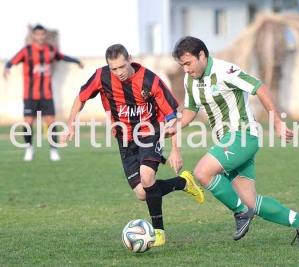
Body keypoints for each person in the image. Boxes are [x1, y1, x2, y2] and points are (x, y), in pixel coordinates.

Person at [166, 36, 299, 246]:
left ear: (202, 55)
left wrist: (277, 122)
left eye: (188, 63)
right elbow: (191, 109)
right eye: (182, 65)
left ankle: (240, 213)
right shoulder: (190, 79)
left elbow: (260, 88)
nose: (186, 69)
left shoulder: (225, 71)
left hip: (243, 134)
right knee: (251, 202)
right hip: (228, 140)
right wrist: (175, 126)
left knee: (202, 172)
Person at [60, 44, 205, 247]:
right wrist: (70, 124)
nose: (119, 73)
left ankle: (158, 232)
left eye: (122, 66)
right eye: (114, 69)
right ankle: (182, 183)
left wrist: (176, 150)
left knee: (147, 177)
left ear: (129, 58)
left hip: (150, 133)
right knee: (143, 193)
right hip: (125, 139)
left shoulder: (150, 80)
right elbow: (81, 97)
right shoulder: (101, 77)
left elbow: (173, 116)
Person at [3, 24, 84, 161]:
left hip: (46, 94)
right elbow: (12, 61)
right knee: (27, 123)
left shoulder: (51, 50)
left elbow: (63, 57)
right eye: (38, 34)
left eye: (42, 34)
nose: (40, 37)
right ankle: (29, 148)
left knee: (51, 122)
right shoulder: (26, 51)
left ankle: (54, 150)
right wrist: (7, 68)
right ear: (34, 36)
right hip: (30, 95)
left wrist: (77, 62)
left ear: (45, 35)